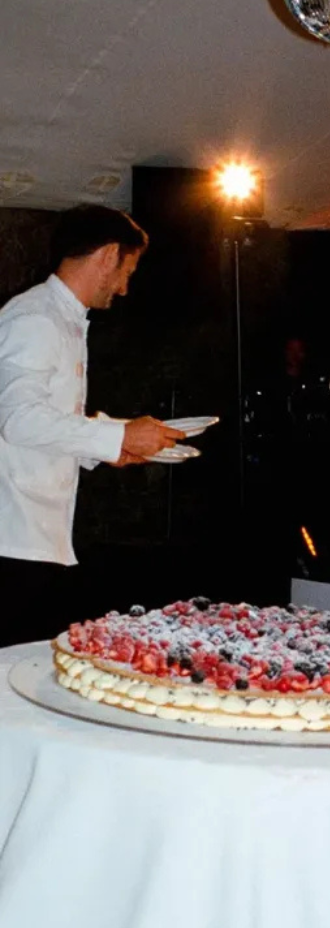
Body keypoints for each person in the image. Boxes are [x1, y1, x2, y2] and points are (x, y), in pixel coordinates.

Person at [0, 206, 184, 646]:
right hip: (14, 536)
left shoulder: (60, 319)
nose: (124, 288)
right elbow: (18, 419)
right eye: (127, 271)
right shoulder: (37, 319)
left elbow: (48, 420)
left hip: (34, 536)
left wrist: (107, 447)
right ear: (107, 256)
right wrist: (118, 435)